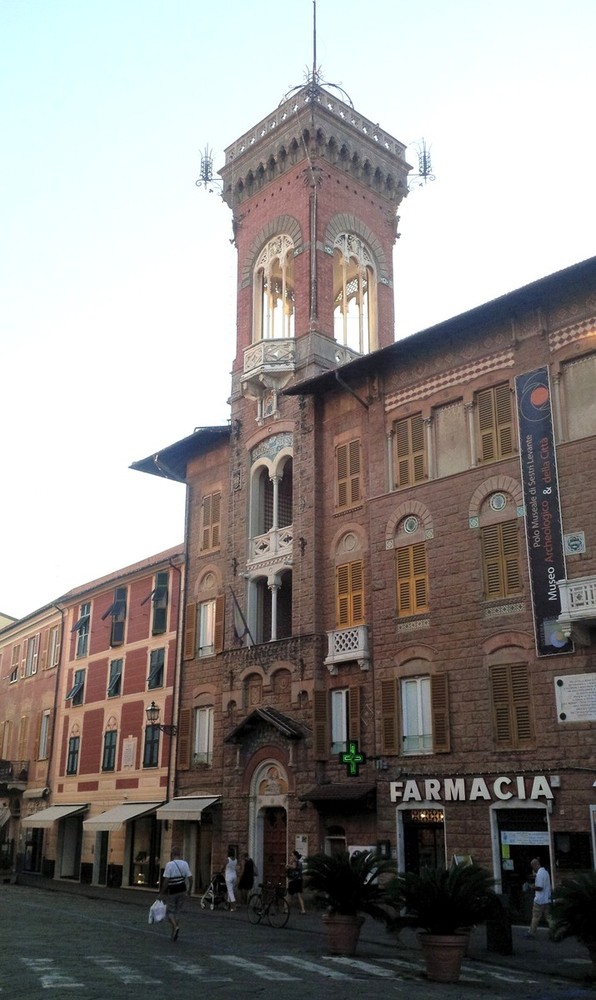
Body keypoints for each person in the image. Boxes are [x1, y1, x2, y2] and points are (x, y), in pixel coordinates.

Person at [159, 846, 193, 941]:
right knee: (178, 911)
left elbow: (166, 880)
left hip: (173, 890)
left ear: (172, 854)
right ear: (180, 854)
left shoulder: (169, 865)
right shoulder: (185, 864)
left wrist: (162, 892)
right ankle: (173, 932)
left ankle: (175, 927)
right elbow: (190, 879)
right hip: (182, 889)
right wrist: (189, 890)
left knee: (170, 912)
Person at [525, 857, 552, 938]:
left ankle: (531, 932)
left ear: (535, 865)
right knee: (549, 917)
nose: (533, 869)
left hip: (539, 900)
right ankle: (555, 931)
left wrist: (531, 887)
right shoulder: (546, 872)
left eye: (532, 867)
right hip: (547, 899)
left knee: (535, 917)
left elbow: (540, 887)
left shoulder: (539, 874)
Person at [286, 850, 306, 914]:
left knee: (289, 895)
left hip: (294, 881)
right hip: (299, 880)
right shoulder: (299, 862)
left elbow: (294, 867)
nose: (291, 856)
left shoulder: (295, 862)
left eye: (292, 855)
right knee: (299, 895)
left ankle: (286, 909)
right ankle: (303, 910)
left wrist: (288, 865)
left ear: (295, 856)